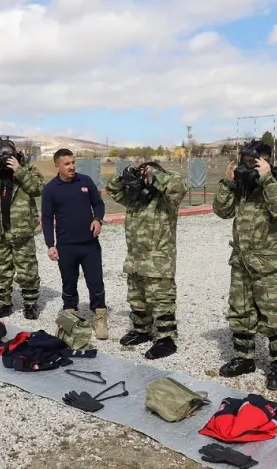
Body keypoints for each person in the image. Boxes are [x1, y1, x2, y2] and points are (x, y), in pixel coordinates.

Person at [212, 140, 277, 390]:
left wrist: (267, 179)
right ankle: (244, 359)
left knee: (274, 315)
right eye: (245, 161)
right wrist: (229, 183)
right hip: (241, 260)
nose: (248, 166)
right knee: (240, 311)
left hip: (269, 262)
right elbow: (221, 211)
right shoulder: (242, 184)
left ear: (267, 161)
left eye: (254, 161)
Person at [105, 160, 188, 359]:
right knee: (137, 297)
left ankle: (166, 339)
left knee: (161, 299)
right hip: (135, 257)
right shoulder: (134, 198)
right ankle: (141, 330)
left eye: (145, 175)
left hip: (158, 259)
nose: (142, 178)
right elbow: (112, 189)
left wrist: (153, 173)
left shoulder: (166, 199)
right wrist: (126, 174)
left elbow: (178, 186)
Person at [0, 138, 45, 320]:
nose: (5, 156)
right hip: (0, 230)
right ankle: (3, 304)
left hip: (22, 228)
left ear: (15, 153)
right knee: (0, 269)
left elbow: (38, 189)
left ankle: (30, 304)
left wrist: (19, 170)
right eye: (1, 153)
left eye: (8, 152)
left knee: (27, 268)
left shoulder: (27, 167)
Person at [41, 148, 108, 339]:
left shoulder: (85, 181)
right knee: (69, 284)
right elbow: (47, 219)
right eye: (67, 164)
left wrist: (98, 219)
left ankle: (100, 317)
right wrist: (50, 245)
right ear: (57, 166)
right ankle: (70, 319)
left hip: (90, 245)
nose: (71, 167)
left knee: (96, 283)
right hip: (66, 246)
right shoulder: (51, 189)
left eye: (73, 162)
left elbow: (98, 204)